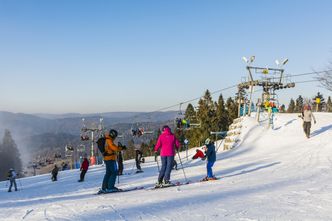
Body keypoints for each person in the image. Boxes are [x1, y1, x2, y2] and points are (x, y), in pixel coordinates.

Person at [100, 129, 126, 193]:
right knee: (114, 172)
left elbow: (112, 148)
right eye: (115, 136)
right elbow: (114, 148)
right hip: (110, 159)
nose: (115, 138)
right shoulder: (109, 140)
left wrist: (120, 148)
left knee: (108, 173)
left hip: (107, 159)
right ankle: (110, 187)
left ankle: (104, 187)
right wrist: (121, 148)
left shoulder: (107, 139)